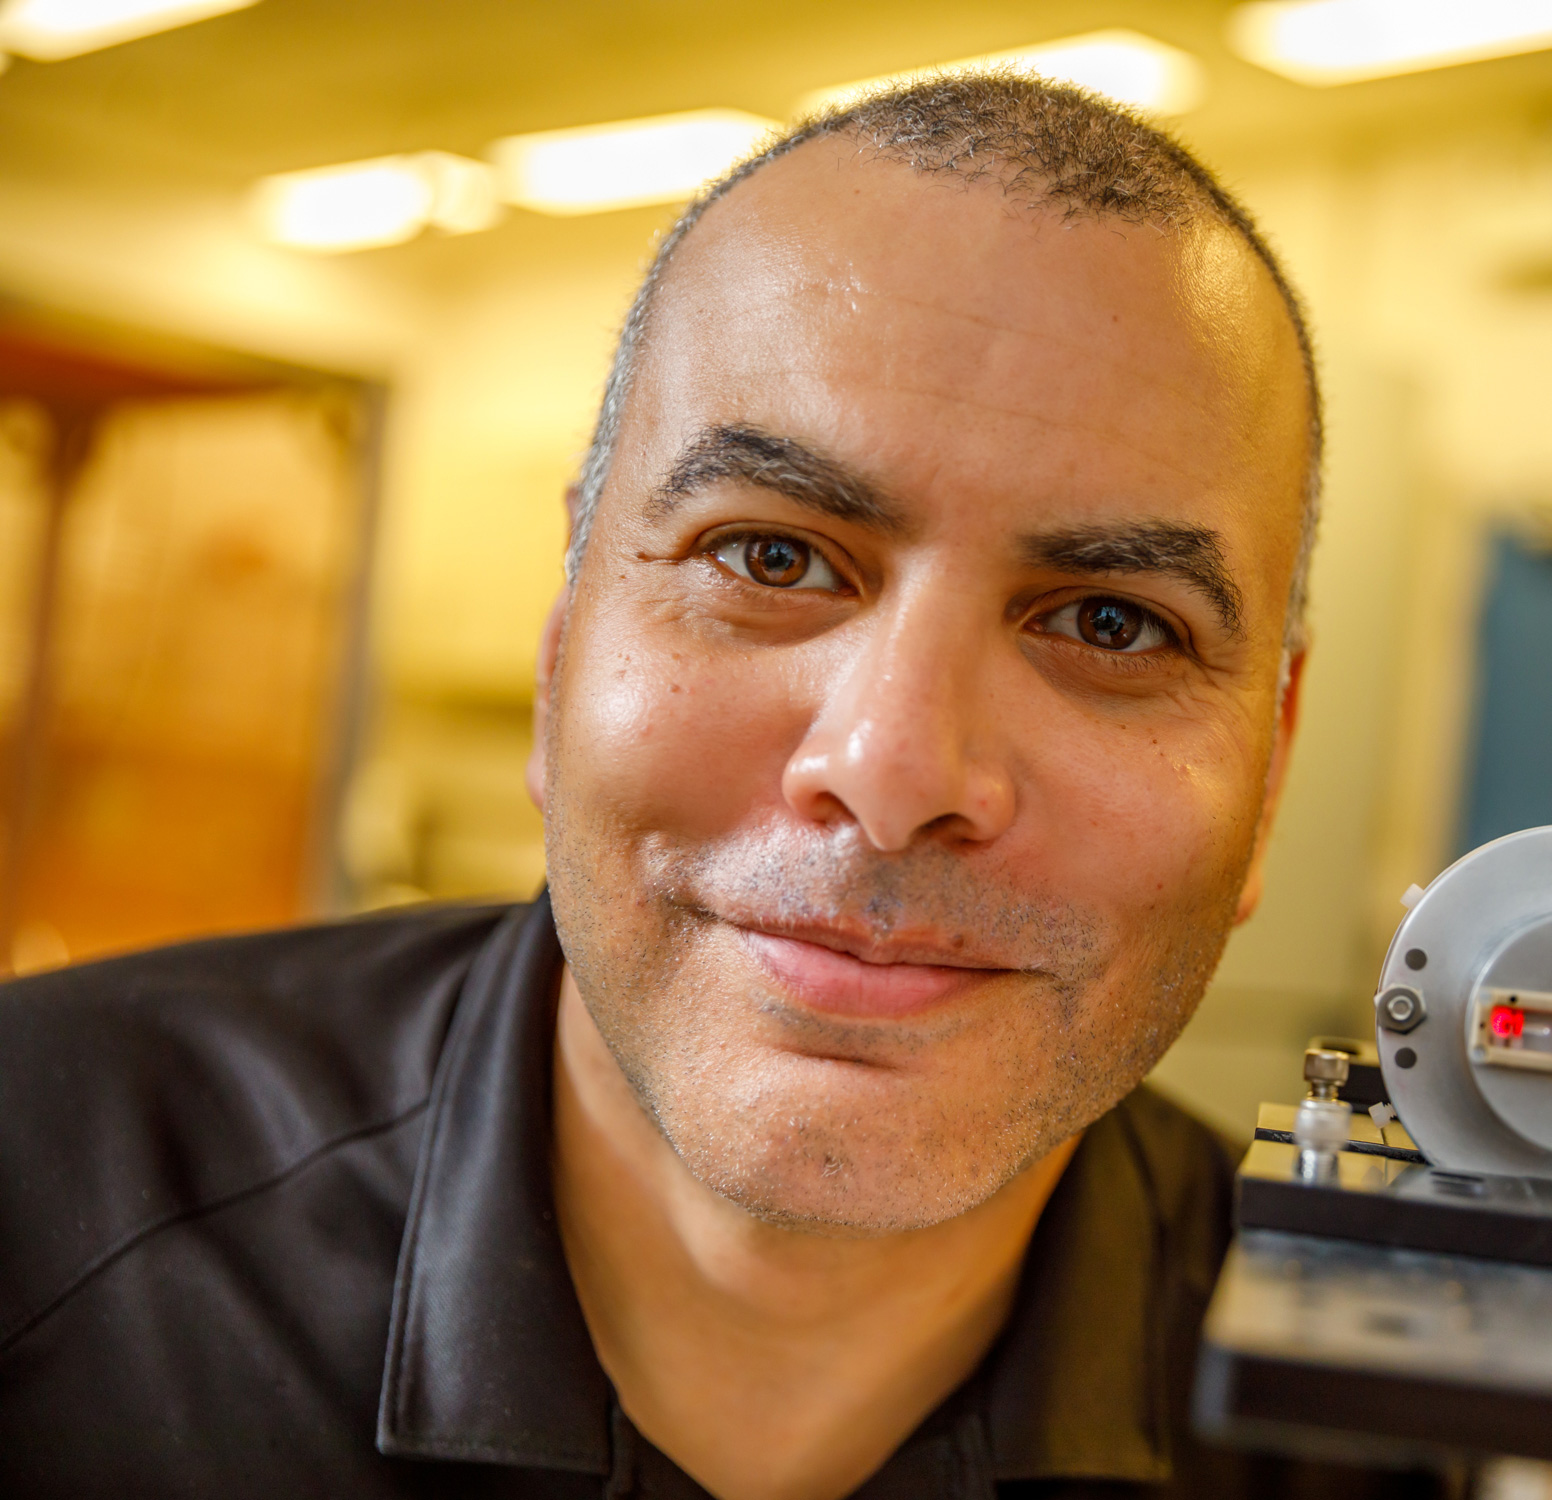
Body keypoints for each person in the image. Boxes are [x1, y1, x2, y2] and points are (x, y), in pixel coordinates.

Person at [0, 75, 1437, 1500]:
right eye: (771, 558)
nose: (892, 775)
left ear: (1273, 768)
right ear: (564, 646)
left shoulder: (1388, 1430)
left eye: (1111, 624)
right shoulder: (37, 1193)